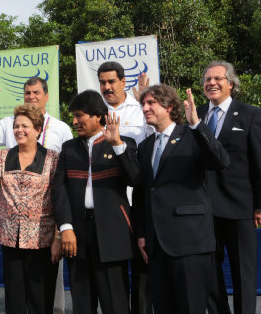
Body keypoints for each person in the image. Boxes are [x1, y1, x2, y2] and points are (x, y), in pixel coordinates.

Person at [0, 76, 71, 313]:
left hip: (42, 239)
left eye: (25, 126)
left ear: (38, 130)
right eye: (16, 126)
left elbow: (60, 197)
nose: (19, 130)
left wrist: (59, 236)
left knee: (41, 300)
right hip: (10, 238)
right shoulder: (4, 155)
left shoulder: (53, 156)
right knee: (14, 301)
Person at [133, 84, 229, 314]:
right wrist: (142, 233)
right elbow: (142, 192)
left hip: (190, 242)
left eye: (151, 103)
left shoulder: (192, 135)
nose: (145, 108)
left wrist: (196, 124)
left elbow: (220, 161)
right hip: (156, 245)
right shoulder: (145, 147)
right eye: (143, 104)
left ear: (170, 107)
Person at [53, 90, 142, 314]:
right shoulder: (69, 148)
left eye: (79, 116)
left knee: (116, 303)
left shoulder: (125, 143)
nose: (74, 122)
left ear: (98, 116)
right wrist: (65, 228)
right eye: (73, 116)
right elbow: (59, 189)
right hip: (77, 235)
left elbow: (134, 179)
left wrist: (117, 145)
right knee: (82, 303)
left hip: (113, 234)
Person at [197, 61, 261, 314]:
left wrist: (259, 205)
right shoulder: (196, 113)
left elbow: (258, 163)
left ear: (230, 84)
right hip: (204, 208)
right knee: (210, 270)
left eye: (217, 78)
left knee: (243, 272)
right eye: (207, 79)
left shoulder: (251, 114)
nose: (211, 83)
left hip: (239, 207)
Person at [96, 61, 153, 314]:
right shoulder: (95, 112)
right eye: (102, 82)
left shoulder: (142, 108)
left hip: (139, 199)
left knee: (143, 271)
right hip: (110, 202)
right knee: (115, 271)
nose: (107, 87)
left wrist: (143, 102)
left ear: (123, 82)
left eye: (111, 81)